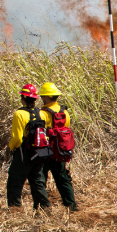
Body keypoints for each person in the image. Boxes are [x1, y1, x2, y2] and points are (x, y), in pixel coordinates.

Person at [7, 83, 50, 209]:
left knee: (15, 181)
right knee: (38, 182)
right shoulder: (42, 113)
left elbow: (17, 138)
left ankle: (15, 210)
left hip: (23, 153)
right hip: (39, 153)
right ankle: (44, 208)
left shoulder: (19, 114)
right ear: (35, 99)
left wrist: (11, 147)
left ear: (23, 99)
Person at [38, 82, 78, 211]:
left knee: (40, 179)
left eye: (43, 96)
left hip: (45, 151)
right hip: (60, 151)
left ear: (47, 97)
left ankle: (42, 207)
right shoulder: (65, 112)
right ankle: (71, 206)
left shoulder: (42, 113)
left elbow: (40, 133)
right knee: (63, 179)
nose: (42, 99)